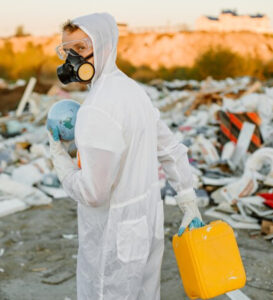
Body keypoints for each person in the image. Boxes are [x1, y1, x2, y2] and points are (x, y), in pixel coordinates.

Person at [47, 12, 204, 300]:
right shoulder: (133, 91)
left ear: (105, 45)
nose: (72, 60)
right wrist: (187, 201)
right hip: (145, 224)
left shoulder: (96, 108)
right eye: (67, 51)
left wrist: (61, 159)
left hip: (113, 233)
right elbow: (170, 149)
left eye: (81, 49)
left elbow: (93, 193)